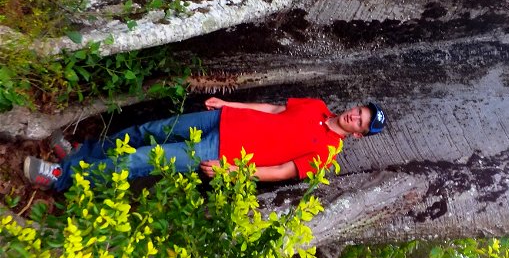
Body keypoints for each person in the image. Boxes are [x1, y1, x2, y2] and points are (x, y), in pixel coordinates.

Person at [22, 96, 386, 192]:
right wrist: (231, 105)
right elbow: (274, 108)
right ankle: (80, 156)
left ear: (357, 134)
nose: (355, 116)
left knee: (143, 160)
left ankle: (60, 177)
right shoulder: (317, 106)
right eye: (359, 111)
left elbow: (279, 172)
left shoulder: (327, 155)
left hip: (219, 153)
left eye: (361, 122)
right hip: (219, 120)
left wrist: (232, 171)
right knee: (147, 130)